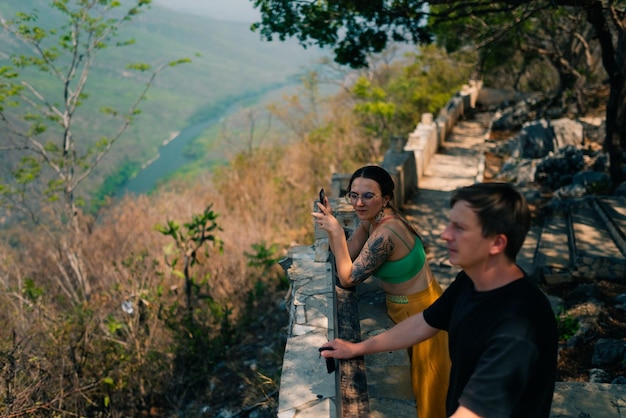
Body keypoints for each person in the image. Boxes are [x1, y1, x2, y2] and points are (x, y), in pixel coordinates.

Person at [320, 182, 558, 418]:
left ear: (497, 243)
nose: (445, 235)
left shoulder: (519, 326)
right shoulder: (470, 280)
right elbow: (424, 322)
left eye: (460, 228)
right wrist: (357, 348)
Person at [312, 165, 450, 418]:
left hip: (422, 311)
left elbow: (349, 277)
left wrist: (334, 231)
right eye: (353, 195)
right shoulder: (372, 221)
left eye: (367, 196)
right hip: (404, 307)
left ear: (386, 198)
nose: (358, 203)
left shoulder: (386, 232)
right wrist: (335, 231)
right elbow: (350, 252)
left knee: (430, 391)